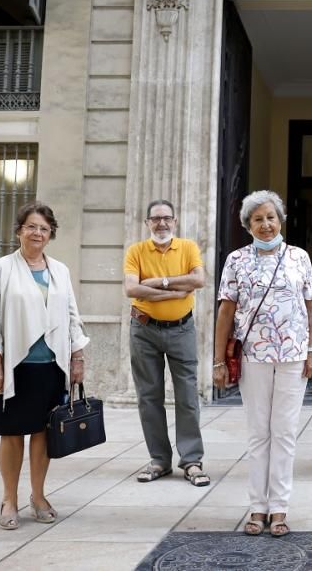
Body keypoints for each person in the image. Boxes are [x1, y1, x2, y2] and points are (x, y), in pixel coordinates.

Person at [213, 190, 312, 538]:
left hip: (292, 356)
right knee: (259, 432)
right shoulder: (236, 260)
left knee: (285, 433)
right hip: (253, 356)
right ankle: (257, 507)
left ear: (280, 220)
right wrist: (218, 360)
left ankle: (280, 508)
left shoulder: (299, 258)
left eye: (270, 217)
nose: (265, 224)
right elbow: (226, 311)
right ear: (248, 225)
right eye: (257, 219)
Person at [0, 201, 89, 530]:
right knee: (11, 434)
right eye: (31, 227)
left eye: (44, 228)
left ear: (51, 234)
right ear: (19, 231)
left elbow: (72, 318)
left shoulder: (60, 271)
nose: (37, 233)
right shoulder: (0, 269)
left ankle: (38, 496)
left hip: (51, 367)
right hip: (13, 368)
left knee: (43, 434)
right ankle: (9, 499)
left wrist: (77, 358)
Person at [123, 199, 209, 487]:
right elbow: (132, 289)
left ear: (175, 221)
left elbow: (198, 280)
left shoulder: (188, 248)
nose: (161, 223)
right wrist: (173, 290)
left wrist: (155, 285)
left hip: (181, 330)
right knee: (149, 397)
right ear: (147, 222)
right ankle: (159, 460)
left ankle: (192, 461)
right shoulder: (136, 251)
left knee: (187, 396)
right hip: (143, 330)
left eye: (166, 218)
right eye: (156, 219)